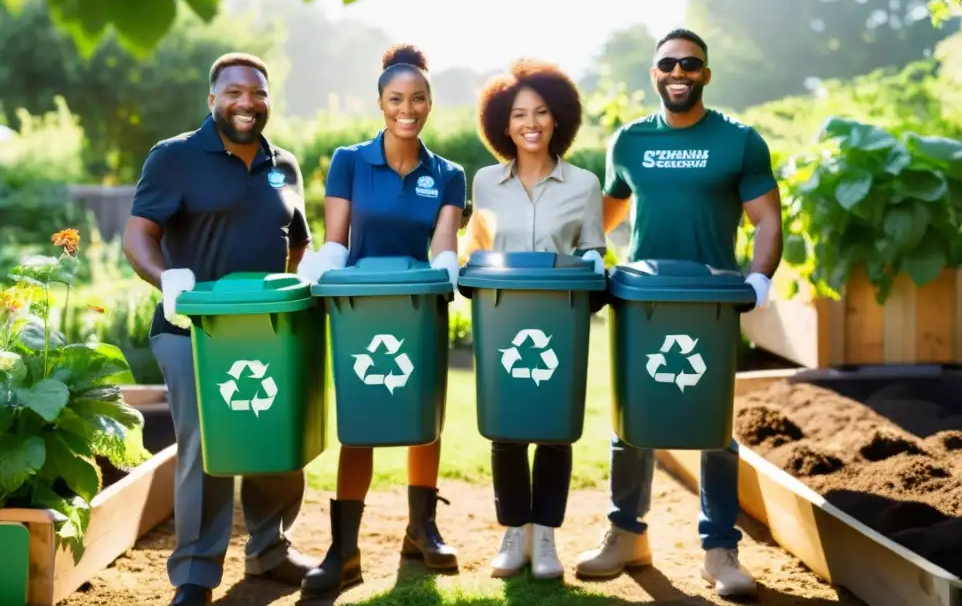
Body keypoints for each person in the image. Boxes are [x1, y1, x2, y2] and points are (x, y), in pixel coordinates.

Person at [574, 29, 782, 598]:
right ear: (655, 73)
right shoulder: (630, 140)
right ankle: (626, 535)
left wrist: (759, 278)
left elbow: (767, 218)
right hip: (645, 298)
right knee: (632, 421)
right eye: (668, 63)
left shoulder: (739, 141)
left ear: (706, 75)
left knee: (713, 427)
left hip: (711, 297)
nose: (679, 72)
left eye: (691, 64)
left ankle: (720, 550)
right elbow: (608, 210)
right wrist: (592, 258)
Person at [122, 53, 316, 606]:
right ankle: (196, 574)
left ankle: (270, 549)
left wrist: (291, 287)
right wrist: (169, 282)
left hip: (268, 331)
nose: (246, 103)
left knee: (274, 436)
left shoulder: (285, 166)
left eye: (257, 93)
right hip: (193, 330)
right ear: (213, 100)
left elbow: (297, 238)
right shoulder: (175, 157)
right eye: (234, 93)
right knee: (206, 445)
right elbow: (138, 238)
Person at [296, 44, 465, 598]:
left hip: (420, 307)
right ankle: (343, 550)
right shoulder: (350, 160)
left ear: (430, 103)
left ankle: (421, 529)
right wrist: (323, 267)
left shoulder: (448, 174)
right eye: (396, 99)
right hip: (362, 308)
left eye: (418, 99)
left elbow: (444, 242)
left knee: (424, 416)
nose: (407, 109)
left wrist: (446, 268)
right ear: (380, 102)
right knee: (363, 419)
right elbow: (337, 238)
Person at [462, 60, 605, 580]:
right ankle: (512, 534)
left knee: (554, 430)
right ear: (503, 123)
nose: (531, 123)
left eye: (541, 112)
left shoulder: (583, 183)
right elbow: (476, 250)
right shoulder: (485, 182)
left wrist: (594, 266)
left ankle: (545, 539)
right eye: (519, 113)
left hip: (558, 317)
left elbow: (592, 249)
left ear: (557, 119)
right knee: (505, 429)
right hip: (502, 314)